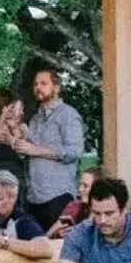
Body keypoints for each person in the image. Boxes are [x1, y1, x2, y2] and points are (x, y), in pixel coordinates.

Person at [16, 69, 86, 231]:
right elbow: (30, 152)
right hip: (33, 198)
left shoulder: (68, 115)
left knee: (57, 249)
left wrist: (36, 150)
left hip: (58, 197)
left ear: (56, 88)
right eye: (35, 84)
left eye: (43, 83)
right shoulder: (35, 118)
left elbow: (74, 151)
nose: (38, 88)